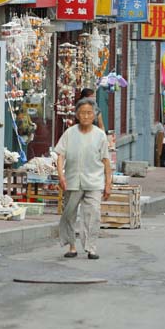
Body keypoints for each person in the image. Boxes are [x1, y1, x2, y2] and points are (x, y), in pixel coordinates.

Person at [57, 98, 111, 260]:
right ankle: (72, 246)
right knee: (69, 213)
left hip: (94, 182)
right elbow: (60, 155)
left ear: (94, 115)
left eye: (89, 113)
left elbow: (106, 161)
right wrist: (60, 175)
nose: (86, 116)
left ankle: (91, 247)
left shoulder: (100, 135)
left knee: (93, 213)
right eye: (82, 113)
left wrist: (108, 183)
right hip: (72, 180)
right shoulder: (69, 133)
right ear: (77, 115)